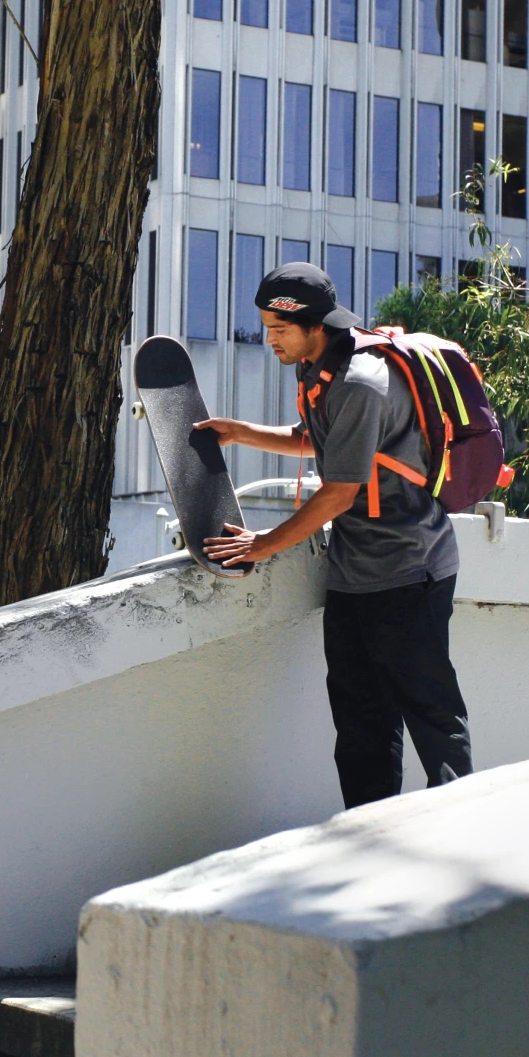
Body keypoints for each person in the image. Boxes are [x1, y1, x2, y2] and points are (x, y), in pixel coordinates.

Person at [195, 261, 473, 807]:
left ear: (314, 325)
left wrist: (260, 546)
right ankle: (367, 836)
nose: (268, 339)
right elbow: (317, 441)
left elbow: (339, 491)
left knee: (431, 717)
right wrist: (239, 432)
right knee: (361, 726)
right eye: (265, 326)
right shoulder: (321, 365)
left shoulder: (361, 382)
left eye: (278, 330)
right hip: (353, 576)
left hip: (409, 570)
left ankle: (459, 827)